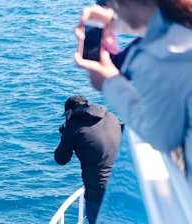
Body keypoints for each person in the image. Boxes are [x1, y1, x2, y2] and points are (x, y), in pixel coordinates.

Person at [73, 0, 192, 175]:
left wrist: (109, 84)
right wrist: (112, 24)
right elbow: (151, 29)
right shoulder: (179, 25)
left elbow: (161, 139)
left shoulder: (158, 58)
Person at [55, 95, 122, 224]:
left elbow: (61, 159)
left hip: (98, 192)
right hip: (123, 184)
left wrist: (66, 133)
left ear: (70, 112)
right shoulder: (111, 117)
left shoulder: (74, 127)